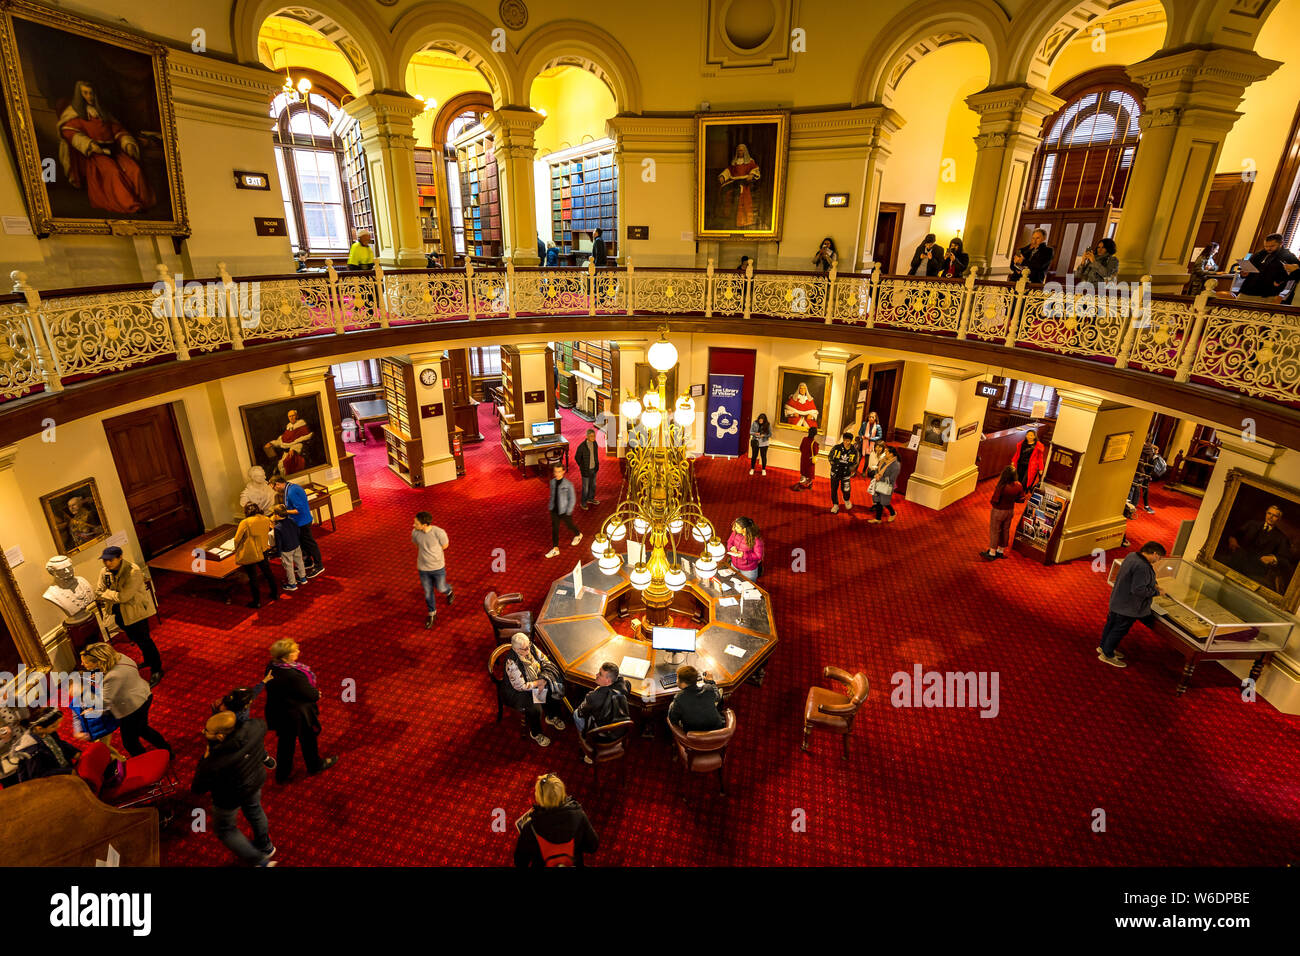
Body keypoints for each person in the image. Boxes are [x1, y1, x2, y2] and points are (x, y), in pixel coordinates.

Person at [192, 710, 278, 866]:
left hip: (229, 796)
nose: (203, 732)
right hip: (254, 780)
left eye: (207, 730)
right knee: (255, 810)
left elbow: (197, 788)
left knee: (225, 830)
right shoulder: (256, 728)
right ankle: (265, 846)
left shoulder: (214, 762)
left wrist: (204, 758)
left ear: (220, 736)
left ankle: (260, 862)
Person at [57, 79, 155, 215]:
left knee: (134, 169)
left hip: (113, 150)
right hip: (95, 153)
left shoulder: (102, 112)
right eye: (85, 93)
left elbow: (117, 130)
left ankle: (144, 202)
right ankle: (131, 205)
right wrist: (89, 145)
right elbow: (69, 132)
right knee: (113, 172)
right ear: (80, 95)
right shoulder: (74, 114)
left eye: (91, 93)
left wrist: (127, 142)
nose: (89, 96)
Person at [264, 638, 338, 782]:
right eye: (294, 651)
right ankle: (314, 765)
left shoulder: (272, 666)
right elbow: (310, 694)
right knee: (308, 739)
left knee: (286, 743)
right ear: (286, 657)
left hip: (280, 711)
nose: (298, 651)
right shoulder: (292, 675)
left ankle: (282, 775)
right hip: (297, 714)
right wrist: (317, 694)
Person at [80, 642, 171, 756]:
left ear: (99, 661)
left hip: (133, 707)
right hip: (143, 694)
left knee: (130, 743)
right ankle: (167, 750)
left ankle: (143, 761)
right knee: (143, 729)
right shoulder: (120, 657)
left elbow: (104, 702)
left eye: (85, 661)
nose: (82, 664)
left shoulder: (113, 676)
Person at [93, 545, 163, 686]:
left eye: (110, 560)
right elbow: (98, 591)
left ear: (120, 557)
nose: (107, 563)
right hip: (119, 613)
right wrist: (112, 595)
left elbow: (124, 596)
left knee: (145, 640)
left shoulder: (133, 571)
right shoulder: (104, 572)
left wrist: (107, 595)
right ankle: (148, 660)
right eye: (105, 560)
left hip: (135, 612)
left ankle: (157, 669)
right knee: (136, 639)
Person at [1098, 541, 1167, 668]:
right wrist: (1157, 591)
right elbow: (1138, 590)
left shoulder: (1131, 556)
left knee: (1111, 625)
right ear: (1155, 554)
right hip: (1128, 607)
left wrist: (1152, 583)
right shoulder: (1143, 567)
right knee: (1119, 630)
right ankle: (1107, 654)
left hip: (1118, 600)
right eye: (1160, 557)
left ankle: (1104, 647)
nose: (1159, 560)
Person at [514, 773, 598, 867]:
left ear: (539, 797)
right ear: (562, 792)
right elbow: (592, 847)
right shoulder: (579, 815)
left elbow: (520, 862)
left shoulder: (530, 827)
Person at [504, 633, 567, 748]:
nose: (529, 650)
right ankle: (536, 733)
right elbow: (520, 686)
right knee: (536, 709)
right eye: (525, 649)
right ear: (516, 649)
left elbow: (545, 660)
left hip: (537, 680)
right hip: (520, 692)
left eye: (528, 646)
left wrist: (543, 679)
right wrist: (539, 683)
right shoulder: (511, 663)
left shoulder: (530, 646)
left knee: (553, 690)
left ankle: (551, 717)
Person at [1224, 503, 1293, 593]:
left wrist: (1273, 558)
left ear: (1279, 519)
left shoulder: (1282, 538)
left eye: (1275, 516)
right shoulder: (1251, 524)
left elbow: (1286, 561)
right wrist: (1232, 540)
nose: (1271, 517)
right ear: (1266, 513)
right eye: (1269, 513)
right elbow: (1235, 534)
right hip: (1238, 561)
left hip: (1257, 570)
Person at [213, 680, 277, 770]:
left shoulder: (239, 702)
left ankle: (263, 756)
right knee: (245, 746)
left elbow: (254, 693)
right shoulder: (229, 715)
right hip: (234, 733)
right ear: (245, 705)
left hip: (245, 728)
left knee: (255, 742)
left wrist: (263, 682)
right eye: (249, 701)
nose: (251, 700)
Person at [270, 475, 324, 578]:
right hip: (299, 522)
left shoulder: (291, 492)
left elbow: (299, 510)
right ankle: (308, 562)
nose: (274, 490)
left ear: (277, 484)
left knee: (310, 544)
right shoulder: (290, 487)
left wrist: (283, 512)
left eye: (273, 488)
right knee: (303, 544)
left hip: (302, 521)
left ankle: (319, 565)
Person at [572, 662, 631, 750]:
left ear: (608, 681)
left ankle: (586, 741)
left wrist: (596, 691)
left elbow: (582, 712)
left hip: (604, 735)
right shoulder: (625, 685)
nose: (596, 675)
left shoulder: (593, 697)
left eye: (600, 674)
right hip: (621, 730)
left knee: (576, 714)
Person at [12, 709, 81, 782]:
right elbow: (39, 774)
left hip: (64, 769)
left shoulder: (49, 732)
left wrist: (75, 753)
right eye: (54, 726)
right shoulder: (31, 748)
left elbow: (60, 744)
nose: (58, 727)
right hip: (52, 782)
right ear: (39, 728)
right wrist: (66, 772)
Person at [234, 503, 280, 609]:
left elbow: (237, 539)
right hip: (263, 549)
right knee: (268, 573)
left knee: (253, 577)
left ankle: (257, 601)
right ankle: (275, 593)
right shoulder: (265, 519)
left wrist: (237, 549)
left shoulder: (245, 522)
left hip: (251, 552)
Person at [412, 510, 453, 628]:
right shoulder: (415, 532)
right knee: (428, 592)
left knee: (441, 587)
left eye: (416, 523)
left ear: (425, 525)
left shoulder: (439, 533)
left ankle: (449, 591)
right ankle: (432, 613)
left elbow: (445, 546)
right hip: (423, 568)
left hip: (438, 567)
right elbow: (417, 544)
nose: (414, 525)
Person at [1237, 233, 1300, 300]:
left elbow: (1297, 273)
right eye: (1266, 246)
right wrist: (1243, 273)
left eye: (1272, 246)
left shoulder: (1288, 256)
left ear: (1281, 243)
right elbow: (1247, 268)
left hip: (1267, 294)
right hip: (1247, 290)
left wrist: (1280, 280)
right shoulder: (1259, 254)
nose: (1268, 249)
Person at [981, 466, 1024, 560]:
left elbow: (994, 500)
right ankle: (1000, 551)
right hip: (1010, 511)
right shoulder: (1019, 485)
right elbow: (1021, 499)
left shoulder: (1002, 486)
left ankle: (992, 552)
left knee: (995, 531)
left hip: (998, 511)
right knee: (1005, 530)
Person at [667, 665, 725, 732]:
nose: (676, 681)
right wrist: (711, 681)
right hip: (716, 731)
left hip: (694, 736)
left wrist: (672, 704)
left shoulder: (679, 698)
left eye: (677, 678)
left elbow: (672, 719)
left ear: (683, 683)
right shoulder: (708, 689)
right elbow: (717, 697)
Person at [718, 143, 762, 229]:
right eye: (738, 150)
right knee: (723, 190)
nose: (739, 152)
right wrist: (722, 176)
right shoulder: (735, 162)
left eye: (741, 150)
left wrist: (751, 175)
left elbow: (755, 169)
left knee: (740, 196)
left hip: (744, 182)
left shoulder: (750, 162)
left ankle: (742, 221)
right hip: (734, 181)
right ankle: (727, 215)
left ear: (745, 151)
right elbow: (728, 170)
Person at [544, 463, 582, 559]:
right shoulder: (552, 482)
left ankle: (578, 534)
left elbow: (572, 499)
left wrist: (568, 511)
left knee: (570, 525)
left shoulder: (568, 484)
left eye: (559, 471)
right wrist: (551, 506)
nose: (557, 474)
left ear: (563, 472)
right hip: (554, 510)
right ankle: (555, 549)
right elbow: (553, 495)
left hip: (564, 511)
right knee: (555, 529)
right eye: (555, 472)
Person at [263, 408, 314, 477]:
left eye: (293, 415)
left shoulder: (302, 427)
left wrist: (293, 449)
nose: (291, 418)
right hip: (286, 452)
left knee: (285, 464)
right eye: (290, 416)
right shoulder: (289, 427)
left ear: (297, 416)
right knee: (277, 464)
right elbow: (282, 440)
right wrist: (272, 443)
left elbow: (302, 442)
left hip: (298, 452)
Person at [271, 504, 306, 591]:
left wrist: (278, 553)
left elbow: (278, 542)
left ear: (277, 516)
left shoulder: (277, 528)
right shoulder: (292, 520)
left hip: (286, 549)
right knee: (299, 562)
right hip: (296, 545)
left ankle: (292, 584)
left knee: (289, 566)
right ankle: (303, 578)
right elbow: (298, 532)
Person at [829, 431, 860, 514]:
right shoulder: (837, 447)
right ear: (843, 440)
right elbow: (830, 457)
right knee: (833, 489)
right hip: (835, 473)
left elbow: (856, 462)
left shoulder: (854, 451)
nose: (846, 443)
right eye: (845, 440)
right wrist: (833, 465)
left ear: (851, 441)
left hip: (846, 474)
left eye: (848, 441)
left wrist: (851, 470)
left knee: (846, 490)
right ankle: (835, 505)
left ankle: (846, 499)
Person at [869, 443, 900, 523]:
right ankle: (878, 519)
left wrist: (880, 477)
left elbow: (892, 478)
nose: (885, 453)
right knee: (878, 501)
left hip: (887, 485)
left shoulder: (896, 465)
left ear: (891, 454)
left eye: (886, 452)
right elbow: (877, 468)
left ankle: (893, 513)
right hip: (879, 482)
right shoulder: (883, 460)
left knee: (885, 502)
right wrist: (876, 474)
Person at [727, 517, 765, 581]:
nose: (735, 528)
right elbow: (729, 542)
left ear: (744, 529)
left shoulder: (756, 540)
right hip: (734, 566)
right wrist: (731, 547)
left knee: (748, 587)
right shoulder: (735, 533)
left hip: (748, 571)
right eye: (735, 526)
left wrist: (744, 555)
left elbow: (759, 556)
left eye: (738, 527)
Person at [574, 428, 602, 510]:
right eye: (591, 436)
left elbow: (595, 455)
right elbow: (577, 458)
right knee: (585, 488)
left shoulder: (595, 444)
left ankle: (591, 499)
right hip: (585, 470)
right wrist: (582, 466)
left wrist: (596, 464)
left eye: (594, 436)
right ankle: (583, 503)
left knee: (593, 485)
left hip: (594, 468)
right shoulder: (582, 447)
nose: (593, 437)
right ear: (587, 437)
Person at [1128, 442, 1157, 514]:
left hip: (1137, 471)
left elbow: (1138, 462)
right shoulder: (1150, 451)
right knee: (1137, 489)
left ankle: (1129, 508)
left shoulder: (1140, 449)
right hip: (1144, 473)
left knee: (1132, 489)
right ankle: (1134, 507)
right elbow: (1150, 462)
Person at [793, 425, 819, 491]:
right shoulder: (814, 443)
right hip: (810, 460)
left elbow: (801, 448)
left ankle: (804, 484)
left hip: (803, 459)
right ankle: (804, 485)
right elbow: (816, 452)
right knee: (809, 473)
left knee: (803, 472)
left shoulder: (804, 439)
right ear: (815, 434)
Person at [858, 411, 883, 476]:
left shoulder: (878, 426)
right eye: (870, 417)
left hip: (871, 445)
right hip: (863, 443)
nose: (871, 418)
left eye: (872, 417)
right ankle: (855, 471)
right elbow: (860, 432)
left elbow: (879, 436)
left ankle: (864, 471)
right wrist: (862, 437)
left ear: (875, 418)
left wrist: (870, 439)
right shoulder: (864, 424)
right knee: (858, 458)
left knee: (867, 460)